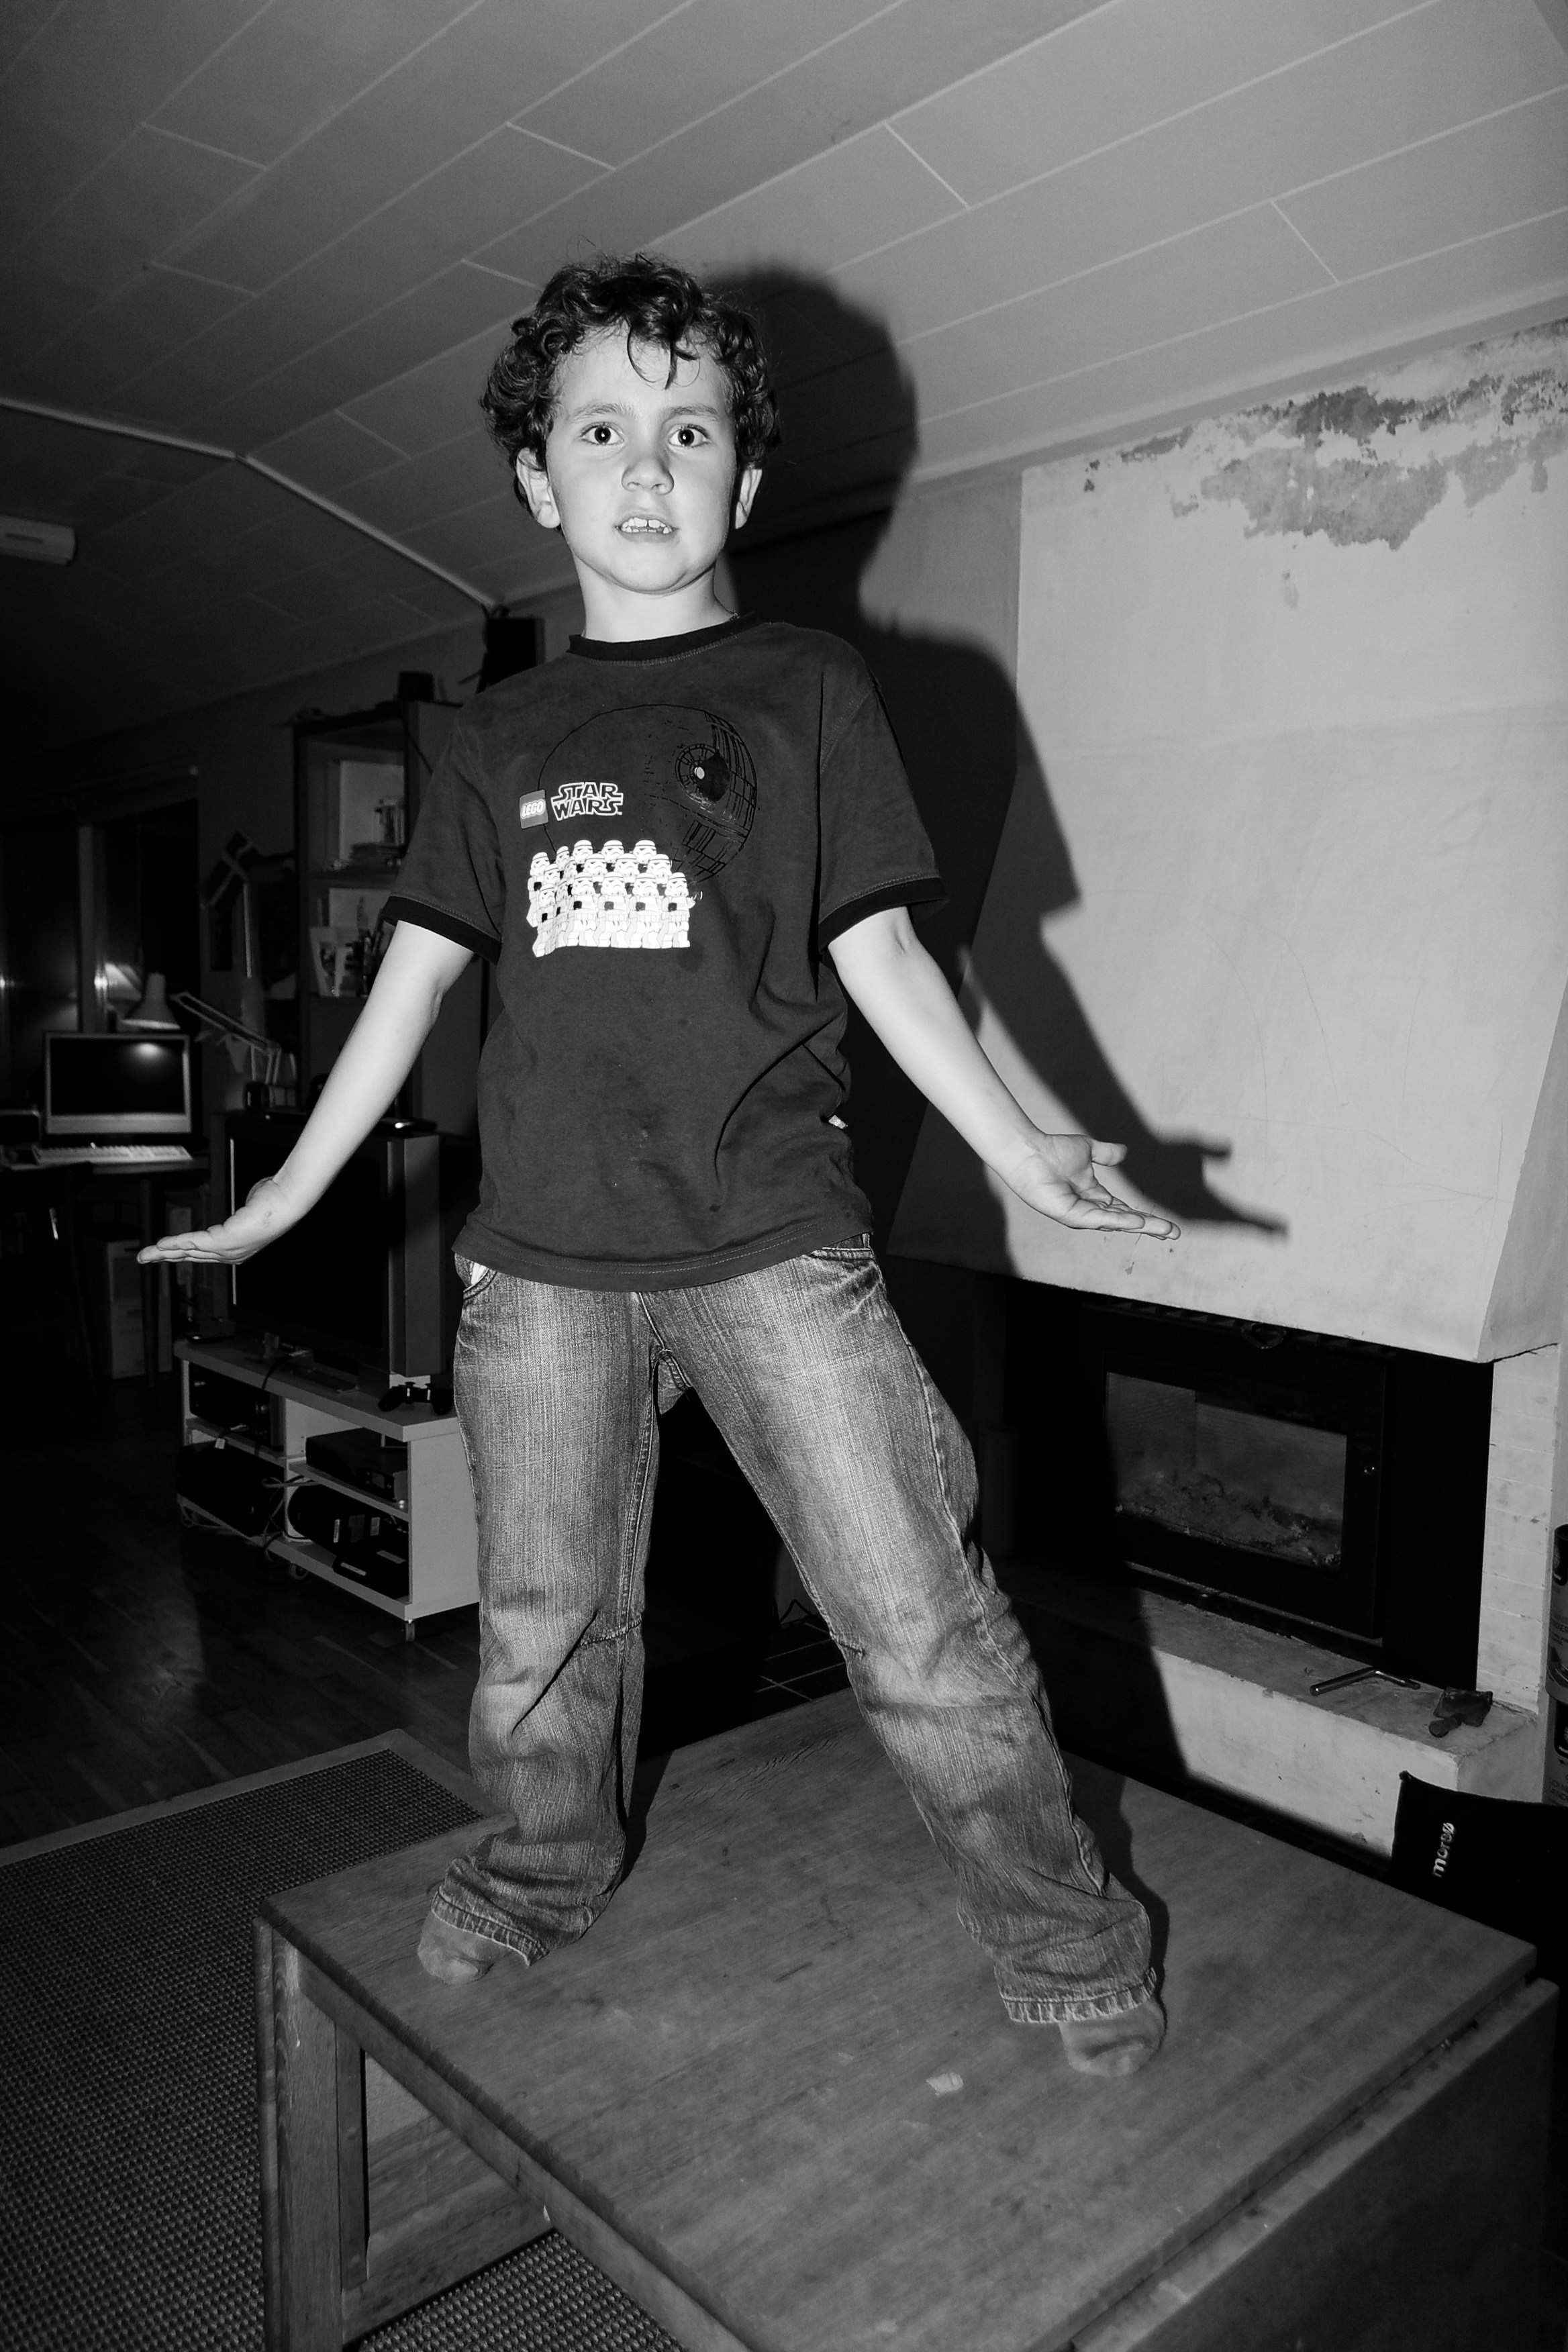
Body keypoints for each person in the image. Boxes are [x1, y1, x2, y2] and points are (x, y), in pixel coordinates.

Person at [145, 252, 1178, 2077]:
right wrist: (293, 1191)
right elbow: (415, 978)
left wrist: (1021, 1144)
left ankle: (1062, 1926)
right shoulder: (490, 737)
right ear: (538, 479)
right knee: (543, 1634)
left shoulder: (809, 686)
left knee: (921, 1620)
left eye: (689, 432)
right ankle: (542, 1868)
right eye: (601, 431)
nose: (646, 465)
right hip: (543, 1271)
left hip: (778, 1246)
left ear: (744, 482)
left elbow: (883, 950)